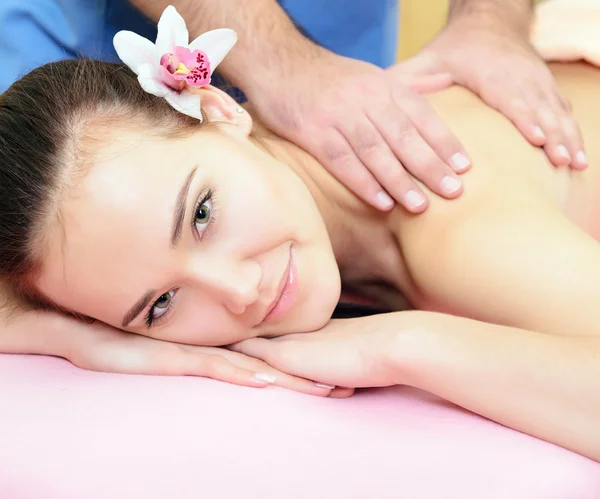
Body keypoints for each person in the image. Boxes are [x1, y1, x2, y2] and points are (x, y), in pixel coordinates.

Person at [1, 0, 600, 461]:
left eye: (202, 214)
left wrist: (403, 346)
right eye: (160, 305)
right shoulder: (305, 219)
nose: (239, 293)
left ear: (220, 109)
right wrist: (80, 341)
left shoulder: (450, 214)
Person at [0, 0, 587, 215]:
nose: (240, 293)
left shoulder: (458, 214)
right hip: (71, 98)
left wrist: (490, 19)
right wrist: (284, 63)